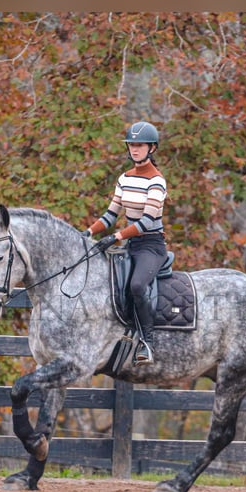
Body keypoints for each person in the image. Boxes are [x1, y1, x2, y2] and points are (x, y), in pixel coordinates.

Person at [83, 121, 168, 365]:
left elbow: (148, 221)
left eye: (139, 145)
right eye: (131, 145)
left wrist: (116, 236)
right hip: (130, 245)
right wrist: (88, 232)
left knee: (137, 286)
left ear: (152, 148)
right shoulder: (125, 178)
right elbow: (110, 216)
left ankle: (147, 342)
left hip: (151, 245)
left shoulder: (157, 181)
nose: (134, 149)